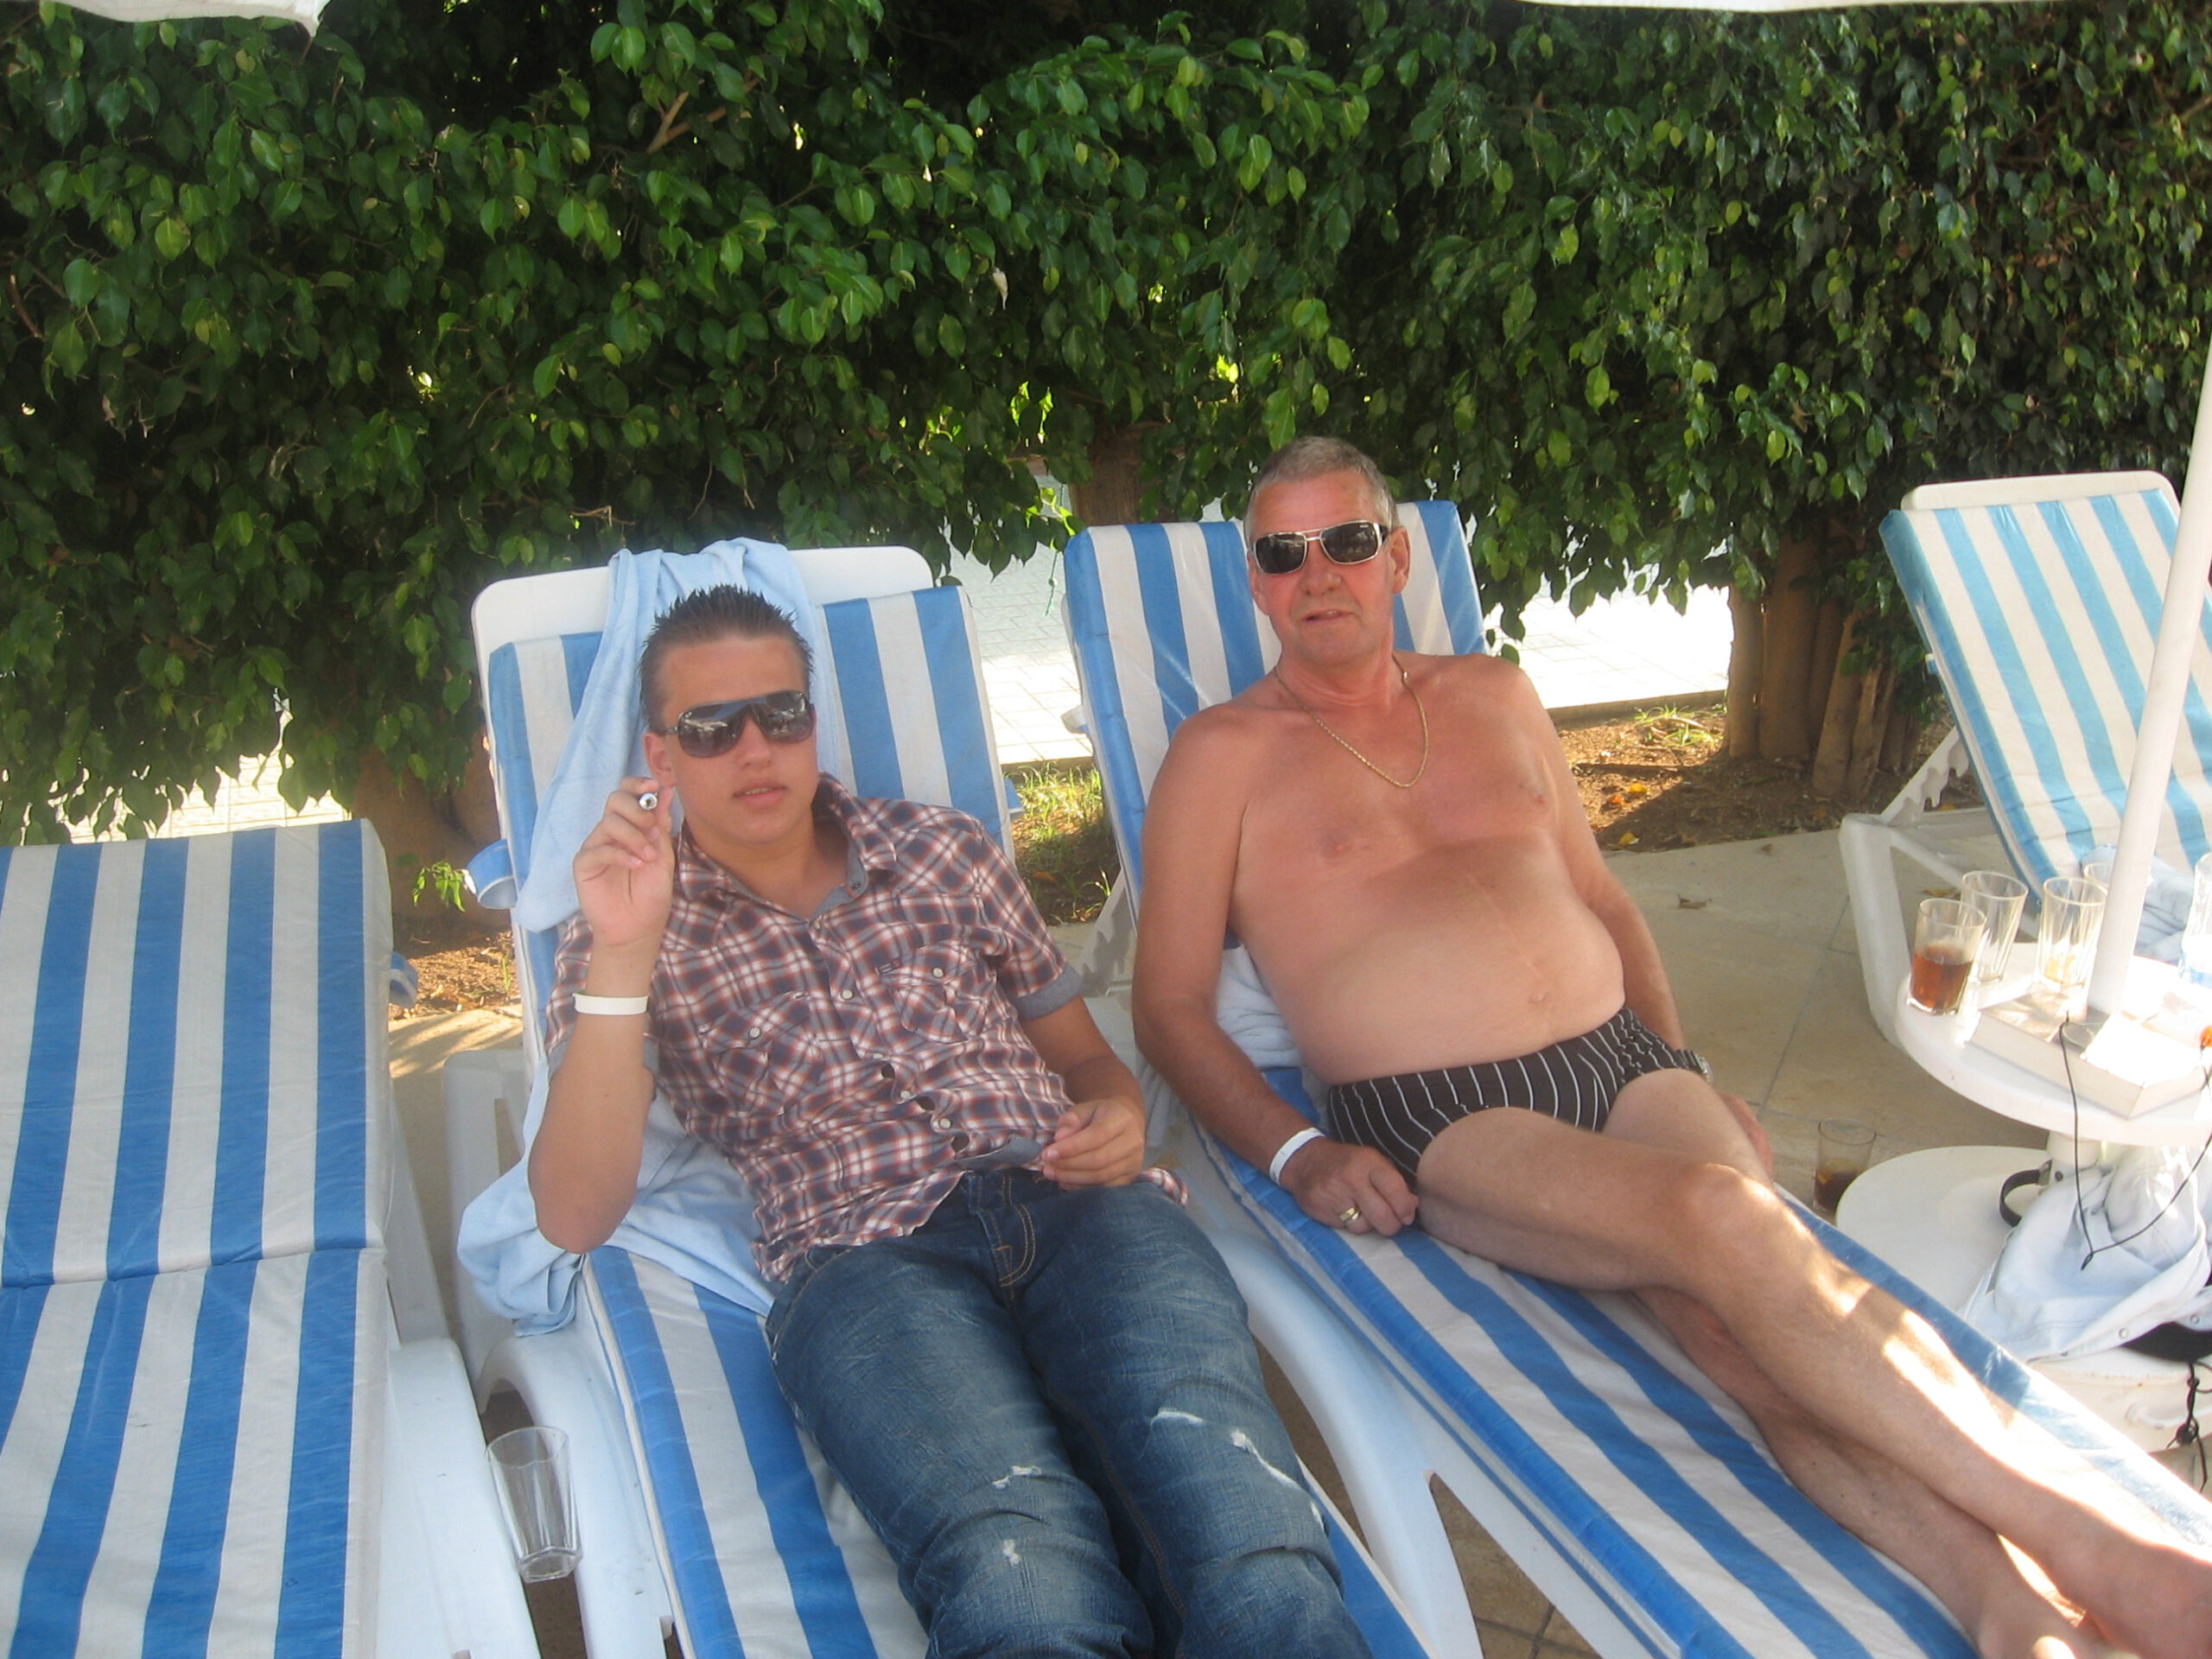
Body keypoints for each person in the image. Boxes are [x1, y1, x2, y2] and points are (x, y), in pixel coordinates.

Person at [1132, 436, 2212, 1659]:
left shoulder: (1493, 696)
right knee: (1731, 1224)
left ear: (1397, 556)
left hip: (1624, 1062)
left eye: (1343, 540)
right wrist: (1296, 1154)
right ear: (1256, 582)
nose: (1316, 572)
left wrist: (1681, 1064)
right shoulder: (1220, 758)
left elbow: (1601, 901)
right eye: (1284, 553)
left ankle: (2003, 1608)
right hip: (1442, 1112)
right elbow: (1168, 1006)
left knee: (1741, 1323)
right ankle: (2099, 1549)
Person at [528, 583, 1370, 1659]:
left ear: (812, 721)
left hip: (1083, 1207)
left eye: (780, 713)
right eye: (710, 727)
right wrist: (623, 951)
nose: (755, 748)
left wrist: (1116, 1115)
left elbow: (1085, 1061)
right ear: (660, 756)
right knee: (1026, 1594)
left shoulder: (943, 850)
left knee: (1252, 1548)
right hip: (865, 1265)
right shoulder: (625, 935)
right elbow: (574, 1210)